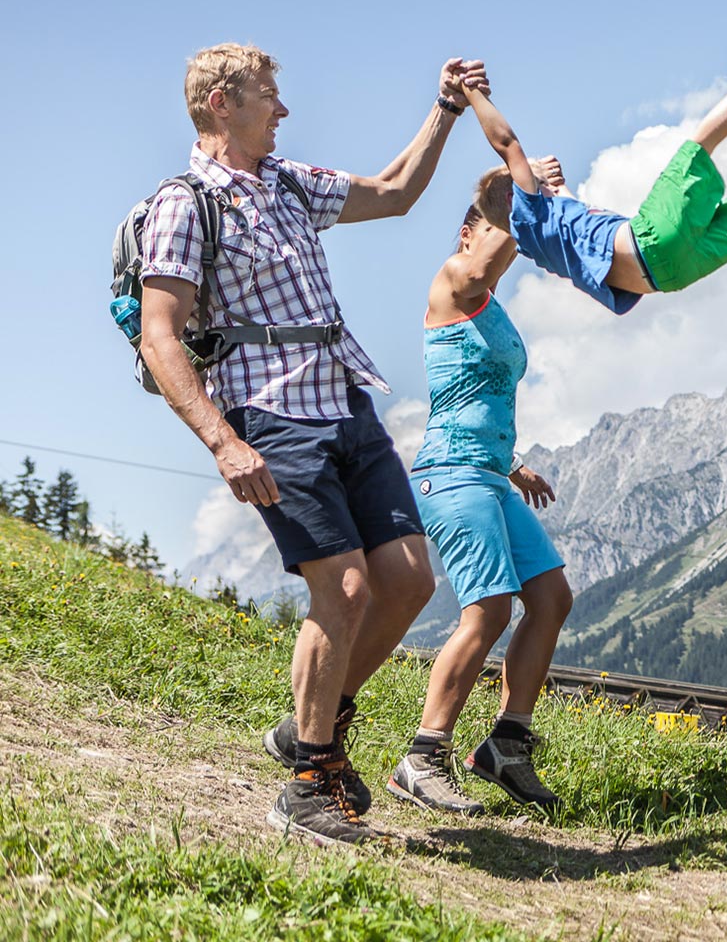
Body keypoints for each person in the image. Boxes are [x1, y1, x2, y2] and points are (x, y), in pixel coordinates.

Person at [140, 44, 482, 845]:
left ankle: (309, 728)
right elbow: (161, 338)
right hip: (267, 411)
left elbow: (395, 194)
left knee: (405, 579)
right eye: (269, 95)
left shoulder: (290, 183)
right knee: (347, 590)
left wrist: (446, 109)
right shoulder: (186, 203)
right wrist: (224, 443)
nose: (283, 109)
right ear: (222, 103)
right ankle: (308, 784)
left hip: (344, 399)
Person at [384, 170, 573, 815]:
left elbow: (477, 398)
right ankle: (423, 755)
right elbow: (482, 261)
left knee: (550, 598)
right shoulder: (452, 283)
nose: (509, 245)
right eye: (498, 229)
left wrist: (513, 464)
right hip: (449, 475)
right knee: (489, 611)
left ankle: (507, 745)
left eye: (514, 238)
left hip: (490, 474)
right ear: (468, 233)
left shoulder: (492, 311)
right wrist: (523, 193)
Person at [459, 37, 727, 317]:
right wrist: (471, 91)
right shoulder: (527, 212)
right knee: (694, 150)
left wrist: (558, 185)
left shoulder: (541, 234)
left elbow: (570, 210)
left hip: (667, 278)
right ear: (519, 189)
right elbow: (507, 143)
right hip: (651, 240)